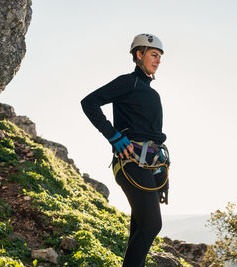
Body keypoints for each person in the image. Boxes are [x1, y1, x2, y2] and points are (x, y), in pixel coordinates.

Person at [80, 33, 169, 267]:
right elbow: (89, 103)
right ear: (138, 55)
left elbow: (154, 137)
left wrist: (161, 173)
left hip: (149, 165)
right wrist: (113, 135)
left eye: (159, 56)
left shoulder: (152, 93)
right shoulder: (128, 82)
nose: (158, 60)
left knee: (140, 228)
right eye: (153, 54)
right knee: (152, 225)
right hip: (130, 162)